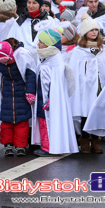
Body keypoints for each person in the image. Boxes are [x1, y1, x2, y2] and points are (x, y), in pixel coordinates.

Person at [0, 38, 36, 156]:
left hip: (22, 94)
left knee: (22, 123)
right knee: (6, 123)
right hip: (6, 94)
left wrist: (30, 92)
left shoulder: (22, 56)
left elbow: (30, 75)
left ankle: (21, 145)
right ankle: (7, 144)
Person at [32, 27, 78, 156]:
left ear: (49, 44)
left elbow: (54, 83)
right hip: (44, 98)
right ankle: (48, 145)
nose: (39, 44)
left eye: (42, 42)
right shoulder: (46, 57)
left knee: (47, 123)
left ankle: (48, 147)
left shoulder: (54, 60)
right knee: (44, 123)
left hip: (48, 100)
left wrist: (50, 100)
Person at [68, 14, 105, 154]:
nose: (94, 32)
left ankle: (95, 140)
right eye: (91, 30)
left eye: (96, 30)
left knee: (97, 112)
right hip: (85, 88)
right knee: (86, 114)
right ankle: (85, 141)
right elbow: (74, 70)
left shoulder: (101, 49)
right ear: (85, 32)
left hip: (98, 86)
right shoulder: (79, 51)